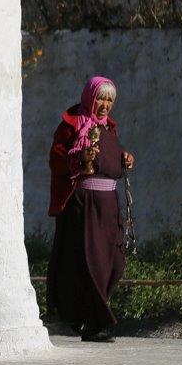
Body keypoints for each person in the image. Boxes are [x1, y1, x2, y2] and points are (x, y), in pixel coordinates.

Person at [47, 76, 135, 343]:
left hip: (108, 207)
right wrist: (78, 157)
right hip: (83, 206)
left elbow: (110, 159)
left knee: (114, 262)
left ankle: (88, 317)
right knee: (90, 262)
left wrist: (125, 158)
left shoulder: (109, 129)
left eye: (110, 100)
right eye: (101, 98)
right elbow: (57, 158)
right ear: (89, 98)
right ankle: (96, 322)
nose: (105, 105)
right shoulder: (71, 126)